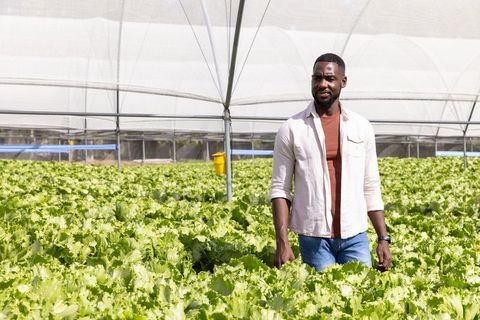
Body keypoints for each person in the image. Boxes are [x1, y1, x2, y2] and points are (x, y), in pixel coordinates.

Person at [269, 53, 392, 272]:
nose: (322, 84)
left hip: (355, 236)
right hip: (313, 237)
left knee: (362, 297)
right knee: (321, 300)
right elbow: (280, 190)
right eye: (317, 78)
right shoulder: (292, 128)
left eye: (329, 78)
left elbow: (370, 185)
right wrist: (282, 242)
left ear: (343, 82)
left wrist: (383, 237)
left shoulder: (361, 127)